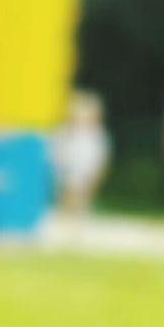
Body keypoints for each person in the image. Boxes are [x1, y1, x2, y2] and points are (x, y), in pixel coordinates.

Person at [46, 89, 112, 231]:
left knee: (80, 195)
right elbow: (57, 150)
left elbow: (99, 156)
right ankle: (66, 221)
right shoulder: (64, 132)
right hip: (67, 167)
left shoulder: (95, 136)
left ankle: (75, 222)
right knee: (68, 194)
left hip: (83, 168)